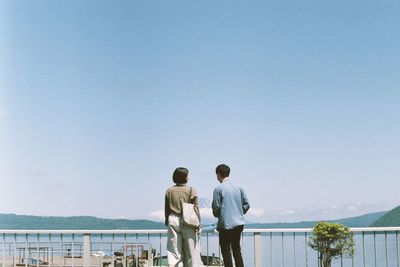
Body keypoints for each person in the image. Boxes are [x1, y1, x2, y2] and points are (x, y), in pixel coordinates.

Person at [212, 164, 250, 267]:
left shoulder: (218, 189)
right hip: (238, 224)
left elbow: (216, 209)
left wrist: (219, 214)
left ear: (219, 174)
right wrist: (239, 212)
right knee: (237, 250)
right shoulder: (239, 187)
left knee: (226, 251)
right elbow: (246, 204)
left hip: (225, 225)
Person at [165, 167, 201, 267]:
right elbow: (196, 208)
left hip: (173, 219)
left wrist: (166, 221)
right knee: (190, 252)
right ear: (185, 177)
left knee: (174, 250)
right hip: (189, 220)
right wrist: (198, 223)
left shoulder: (169, 191)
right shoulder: (191, 190)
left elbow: (167, 208)